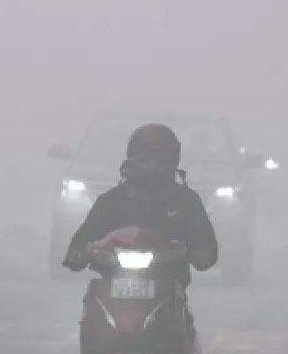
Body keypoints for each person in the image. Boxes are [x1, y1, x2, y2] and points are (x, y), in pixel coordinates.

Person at [62, 124, 218, 344]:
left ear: (172, 161)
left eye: (159, 158)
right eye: (144, 157)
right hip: (111, 288)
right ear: (132, 159)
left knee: (179, 325)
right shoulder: (111, 201)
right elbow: (80, 242)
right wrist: (81, 252)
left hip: (167, 291)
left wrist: (193, 252)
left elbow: (207, 248)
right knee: (92, 316)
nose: (151, 165)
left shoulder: (185, 201)